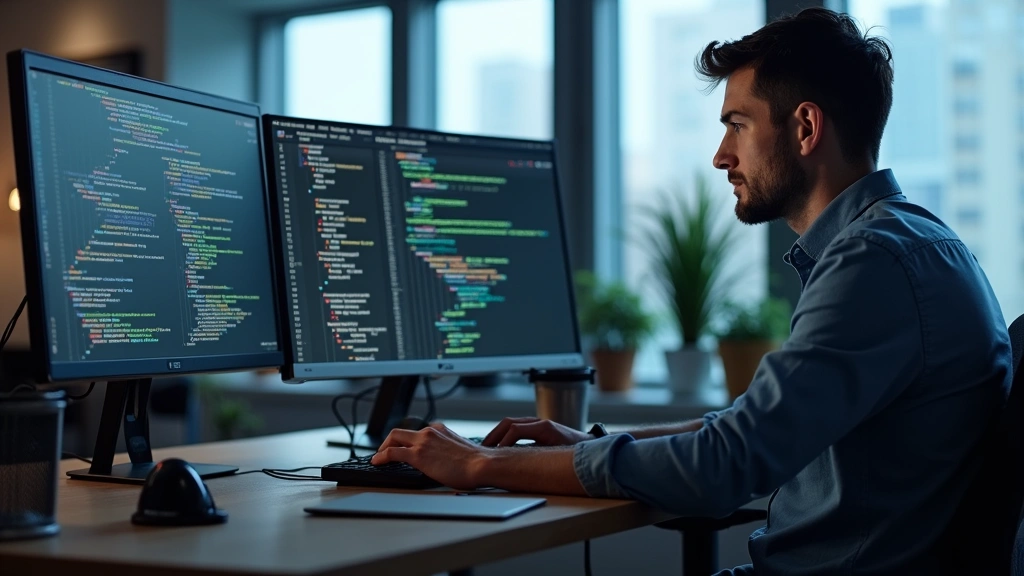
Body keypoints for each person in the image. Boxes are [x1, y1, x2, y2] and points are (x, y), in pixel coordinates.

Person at [372, 7, 1011, 575]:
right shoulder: (918, 242)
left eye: (737, 124)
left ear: (806, 128)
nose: (719, 155)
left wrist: (480, 466)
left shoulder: (873, 262)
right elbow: (751, 428)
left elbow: (726, 465)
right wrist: (590, 446)